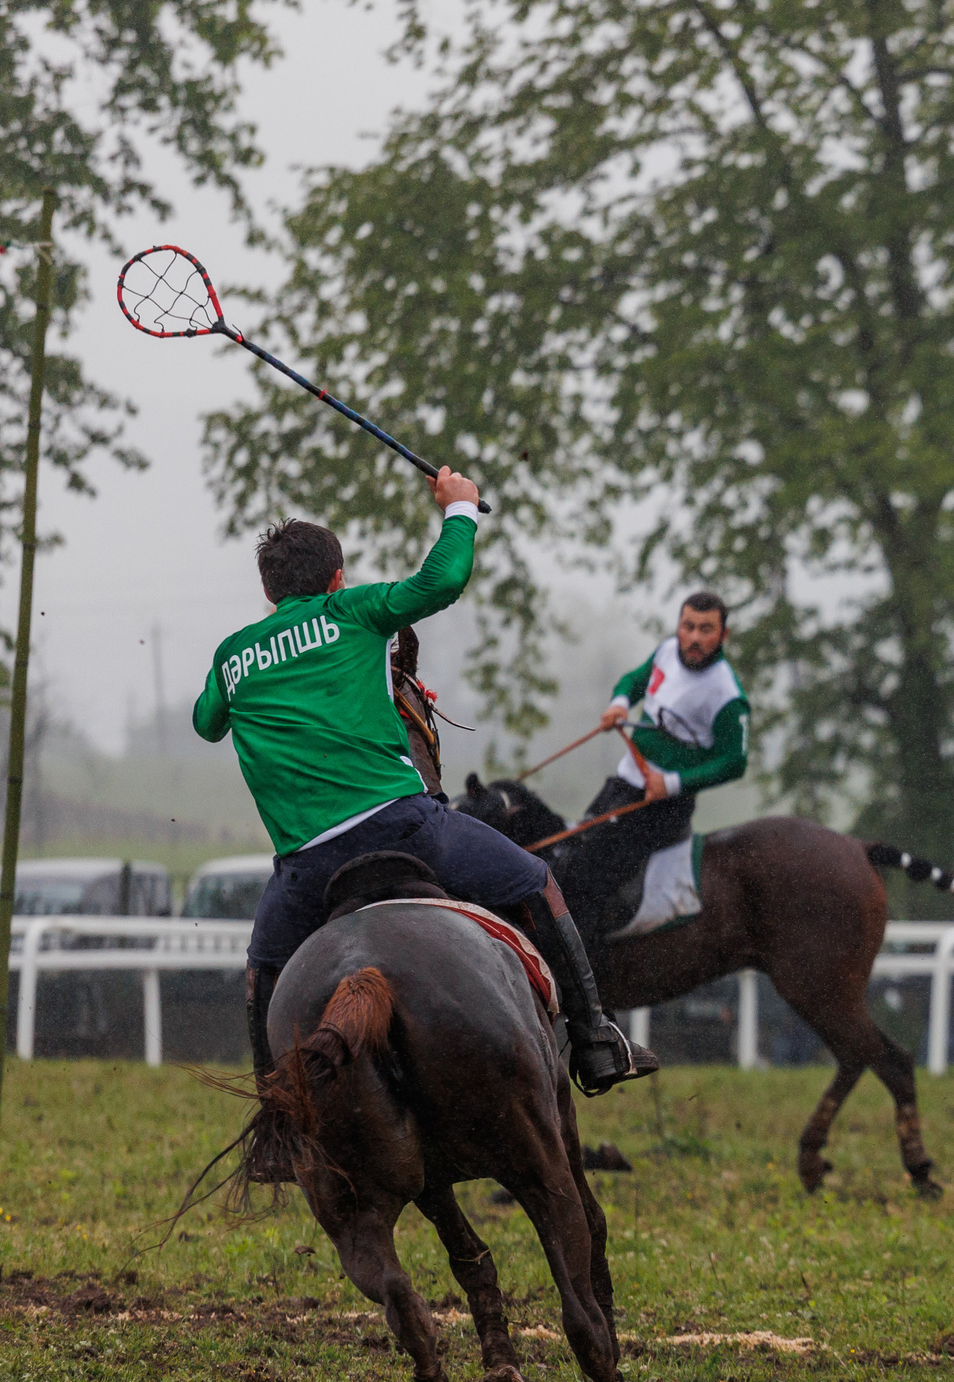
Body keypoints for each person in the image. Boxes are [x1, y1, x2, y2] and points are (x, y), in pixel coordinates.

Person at [197, 467, 657, 1121]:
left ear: (268, 591)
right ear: (336, 579)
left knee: (262, 973)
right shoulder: (353, 610)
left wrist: (247, 671)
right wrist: (461, 508)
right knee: (535, 880)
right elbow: (441, 580)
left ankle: (280, 1116)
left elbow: (206, 722)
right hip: (404, 827)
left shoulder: (232, 655)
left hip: (306, 865)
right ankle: (596, 1039)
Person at [576, 592, 750, 939]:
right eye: (688, 627)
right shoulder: (666, 651)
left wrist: (670, 784)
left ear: (723, 636)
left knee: (592, 878)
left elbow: (734, 762)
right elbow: (634, 680)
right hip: (624, 783)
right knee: (573, 851)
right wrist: (620, 704)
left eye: (706, 629)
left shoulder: (728, 696)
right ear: (679, 627)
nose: (695, 638)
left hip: (665, 806)